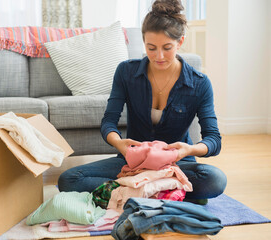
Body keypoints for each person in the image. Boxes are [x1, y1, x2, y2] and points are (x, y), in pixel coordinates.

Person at [58, 0, 227, 204]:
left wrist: (189, 150)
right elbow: (109, 121)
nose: (159, 56)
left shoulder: (199, 84)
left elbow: (214, 140)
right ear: (143, 42)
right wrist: (119, 143)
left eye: (167, 48)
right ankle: (165, 190)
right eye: (151, 47)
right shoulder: (126, 72)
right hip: (132, 163)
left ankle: (138, 189)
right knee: (69, 179)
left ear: (180, 42)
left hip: (175, 164)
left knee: (215, 180)